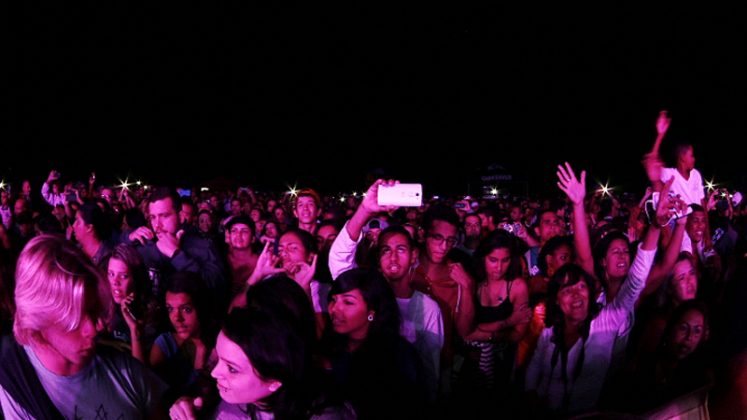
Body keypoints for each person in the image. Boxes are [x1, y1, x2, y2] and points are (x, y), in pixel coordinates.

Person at [0, 234, 166, 418]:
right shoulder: (14, 380)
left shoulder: (125, 369)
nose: (97, 327)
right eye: (76, 318)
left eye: (95, 309)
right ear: (38, 320)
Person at [328, 179, 444, 401]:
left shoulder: (429, 309)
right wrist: (365, 209)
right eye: (385, 250)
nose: (392, 257)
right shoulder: (365, 293)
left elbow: (430, 370)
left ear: (413, 256)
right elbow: (338, 259)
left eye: (401, 249)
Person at [322, 268, 426, 419]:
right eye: (333, 299)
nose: (335, 309)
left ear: (372, 311)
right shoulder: (330, 347)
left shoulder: (398, 357)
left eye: (348, 302)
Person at [127, 187, 226, 307]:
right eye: (153, 217)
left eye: (164, 216)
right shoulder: (145, 244)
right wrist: (129, 238)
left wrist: (177, 255)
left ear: (180, 216)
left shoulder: (204, 247)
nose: (157, 225)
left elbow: (214, 289)